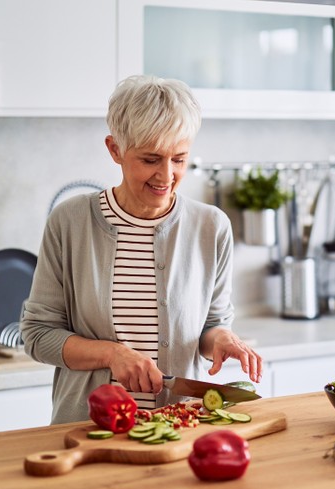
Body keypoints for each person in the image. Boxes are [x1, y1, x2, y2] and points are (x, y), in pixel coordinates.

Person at [21, 75, 262, 424]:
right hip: (88, 428)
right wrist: (112, 355)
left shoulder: (212, 227)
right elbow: (38, 335)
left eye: (179, 159)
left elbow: (211, 324)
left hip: (180, 429)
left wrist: (222, 338)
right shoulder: (70, 222)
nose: (166, 175)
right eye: (150, 159)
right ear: (115, 149)